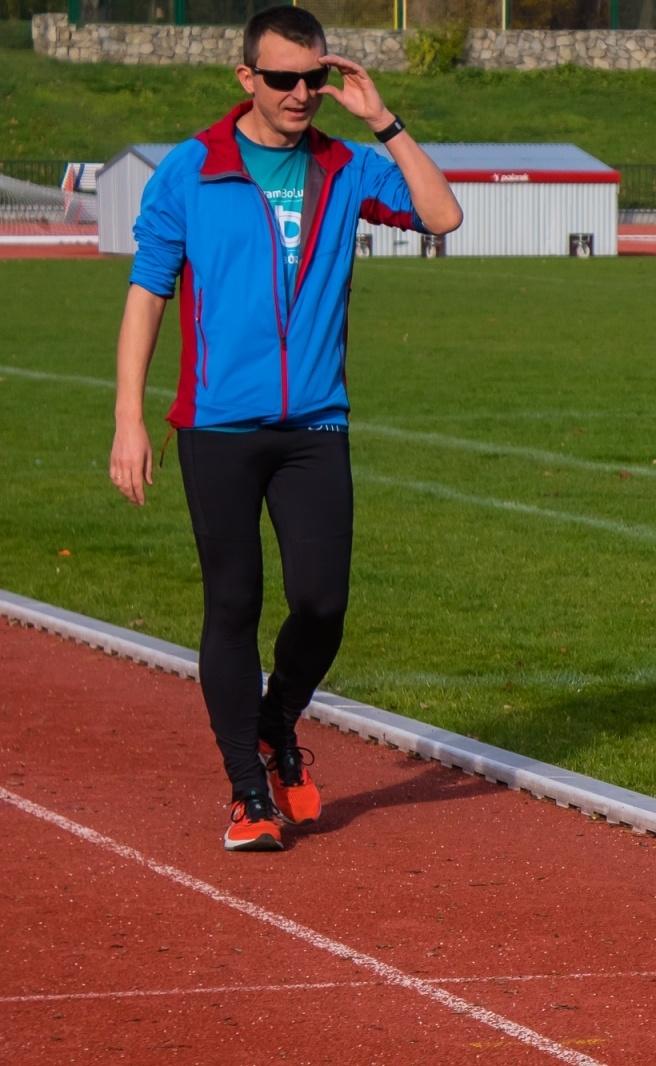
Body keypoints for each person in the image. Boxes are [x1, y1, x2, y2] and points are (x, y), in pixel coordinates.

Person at [107, 5, 462, 852]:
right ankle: (246, 794)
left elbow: (443, 218)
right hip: (218, 426)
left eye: (314, 77)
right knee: (232, 602)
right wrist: (130, 417)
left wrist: (386, 121)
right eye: (283, 79)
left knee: (322, 602)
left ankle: (277, 725)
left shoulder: (348, 167)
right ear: (247, 81)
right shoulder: (189, 172)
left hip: (315, 425)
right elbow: (147, 292)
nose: (301, 93)